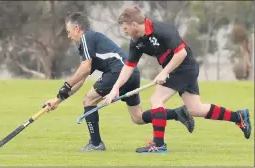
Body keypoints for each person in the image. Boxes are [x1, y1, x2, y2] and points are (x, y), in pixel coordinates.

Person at [104, 6, 252, 154]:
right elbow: (129, 66)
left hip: (183, 66)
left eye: (126, 29)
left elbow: (180, 53)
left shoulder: (162, 30)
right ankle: (238, 117)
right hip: (180, 69)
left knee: (156, 100)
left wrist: (164, 72)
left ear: (134, 25)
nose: (125, 32)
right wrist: (115, 88)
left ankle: (158, 144)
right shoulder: (136, 42)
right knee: (195, 108)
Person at [44, 12, 195, 152]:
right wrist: (58, 99)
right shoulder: (87, 46)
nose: (69, 36)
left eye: (69, 31)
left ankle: (96, 144)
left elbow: (84, 69)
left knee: (88, 100)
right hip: (131, 73)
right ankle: (178, 113)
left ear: (77, 28)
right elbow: (82, 78)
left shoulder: (86, 37)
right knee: (138, 117)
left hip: (118, 72)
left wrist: (66, 85)